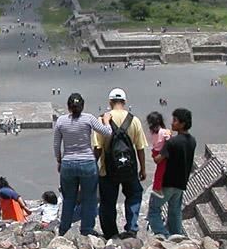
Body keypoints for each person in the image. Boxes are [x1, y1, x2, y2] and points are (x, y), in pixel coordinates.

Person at [92, 88, 148, 240]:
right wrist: (143, 169)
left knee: (108, 202)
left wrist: (92, 167)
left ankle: (111, 234)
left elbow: (97, 148)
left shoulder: (102, 119)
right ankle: (131, 228)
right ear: (124, 102)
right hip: (129, 169)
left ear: (110, 102)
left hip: (107, 170)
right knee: (134, 196)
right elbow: (140, 148)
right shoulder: (134, 120)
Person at [53, 93, 112, 236]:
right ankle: (86, 230)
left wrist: (60, 160)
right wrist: (107, 121)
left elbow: (56, 145)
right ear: (83, 106)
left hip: (68, 163)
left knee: (69, 199)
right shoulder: (89, 118)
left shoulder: (61, 121)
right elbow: (107, 133)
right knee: (89, 198)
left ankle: (64, 229)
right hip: (87, 163)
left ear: (68, 107)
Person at [147, 108, 197, 237]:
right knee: (175, 211)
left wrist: (157, 148)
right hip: (181, 183)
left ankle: (164, 235)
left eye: (175, 120)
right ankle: (177, 235)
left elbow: (158, 160)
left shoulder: (172, 143)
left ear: (182, 123)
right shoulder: (192, 141)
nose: (172, 123)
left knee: (153, 210)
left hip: (167, 182)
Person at [146, 111, 172, 198]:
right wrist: (169, 133)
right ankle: (156, 188)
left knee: (160, 170)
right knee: (160, 171)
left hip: (155, 151)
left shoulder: (151, 131)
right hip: (161, 153)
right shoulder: (163, 131)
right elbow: (169, 139)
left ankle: (158, 184)